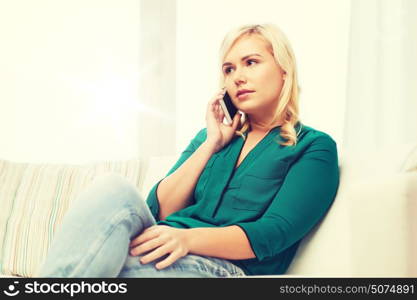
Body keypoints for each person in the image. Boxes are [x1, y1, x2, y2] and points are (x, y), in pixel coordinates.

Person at [37, 23, 339, 278]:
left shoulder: (314, 147)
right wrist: (211, 145)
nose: (237, 77)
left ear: (284, 71)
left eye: (251, 62)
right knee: (112, 188)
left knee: (112, 272)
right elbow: (162, 209)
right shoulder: (211, 139)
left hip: (222, 268)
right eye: (229, 69)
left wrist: (187, 238)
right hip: (167, 248)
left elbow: (273, 234)